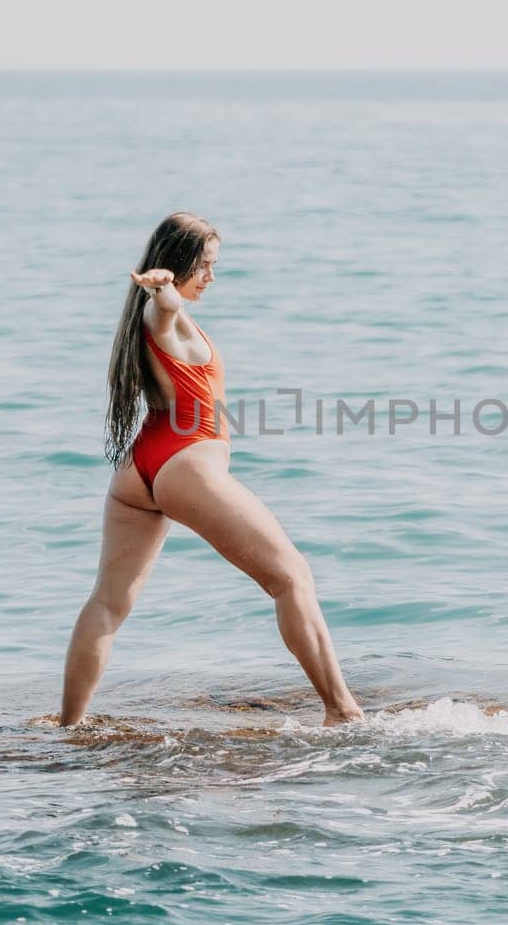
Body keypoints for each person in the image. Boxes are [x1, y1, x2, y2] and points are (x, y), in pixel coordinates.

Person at [59, 212, 365, 728]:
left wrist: (161, 293)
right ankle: (342, 710)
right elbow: (167, 310)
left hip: (141, 469)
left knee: (108, 604)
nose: (212, 278)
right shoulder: (165, 316)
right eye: (204, 266)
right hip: (186, 462)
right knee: (292, 578)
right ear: (176, 265)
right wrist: (164, 292)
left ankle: (70, 724)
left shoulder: (149, 321)